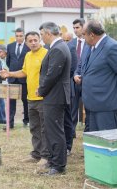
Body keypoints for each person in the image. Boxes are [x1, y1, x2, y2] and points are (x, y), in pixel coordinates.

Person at [0, 31, 50, 167]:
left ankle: (46, 156)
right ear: (26, 43)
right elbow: (24, 72)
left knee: (45, 128)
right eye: (30, 41)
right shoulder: (28, 55)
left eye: (35, 40)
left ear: (40, 40)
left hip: (43, 97)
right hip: (30, 97)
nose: (33, 43)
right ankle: (36, 154)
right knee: (34, 127)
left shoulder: (46, 53)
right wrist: (9, 73)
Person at [37, 22, 71, 175]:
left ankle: (58, 165)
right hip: (55, 95)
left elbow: (52, 75)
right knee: (52, 130)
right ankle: (53, 161)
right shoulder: (58, 47)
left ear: (49, 33)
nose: (41, 38)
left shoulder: (58, 48)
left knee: (55, 130)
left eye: (42, 34)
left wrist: (41, 90)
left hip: (55, 96)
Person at [80, 20, 117, 131]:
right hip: (92, 105)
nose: (82, 37)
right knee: (95, 143)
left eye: (84, 34)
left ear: (92, 35)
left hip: (105, 107)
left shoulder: (111, 47)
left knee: (106, 144)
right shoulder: (92, 47)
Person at [6, 28, 30, 128]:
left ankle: (26, 120)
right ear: (15, 36)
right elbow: (8, 61)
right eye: (17, 36)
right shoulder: (10, 46)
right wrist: (12, 72)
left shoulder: (28, 47)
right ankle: (10, 123)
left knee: (26, 101)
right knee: (11, 102)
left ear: (24, 36)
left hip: (24, 79)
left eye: (21, 36)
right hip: (12, 79)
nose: (19, 38)